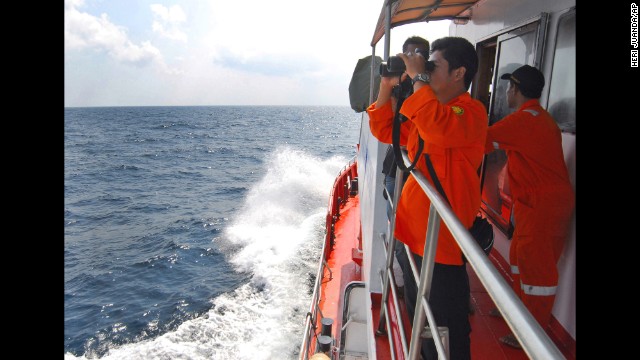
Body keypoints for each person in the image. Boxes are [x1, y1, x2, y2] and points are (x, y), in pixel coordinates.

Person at [367, 37, 488, 360]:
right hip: (414, 234)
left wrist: (419, 80)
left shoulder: (470, 111)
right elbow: (385, 130)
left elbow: (440, 130)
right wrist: (387, 86)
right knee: (418, 313)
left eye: (432, 66)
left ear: (459, 73)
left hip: (442, 243)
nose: (425, 71)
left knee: (446, 326)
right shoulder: (431, 111)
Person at [484, 65, 575, 349]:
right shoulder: (537, 117)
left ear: (516, 89)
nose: (507, 92)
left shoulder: (526, 120)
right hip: (536, 203)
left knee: (537, 272)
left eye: (509, 88)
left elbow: (480, 141)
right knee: (521, 259)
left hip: (542, 206)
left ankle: (530, 335)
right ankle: (518, 312)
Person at [382, 36, 430, 292]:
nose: (409, 59)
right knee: (397, 224)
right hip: (395, 166)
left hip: (417, 169)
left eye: (416, 54)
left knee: (411, 231)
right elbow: (387, 128)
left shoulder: (429, 90)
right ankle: (408, 278)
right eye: (406, 54)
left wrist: (418, 81)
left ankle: (411, 282)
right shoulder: (401, 86)